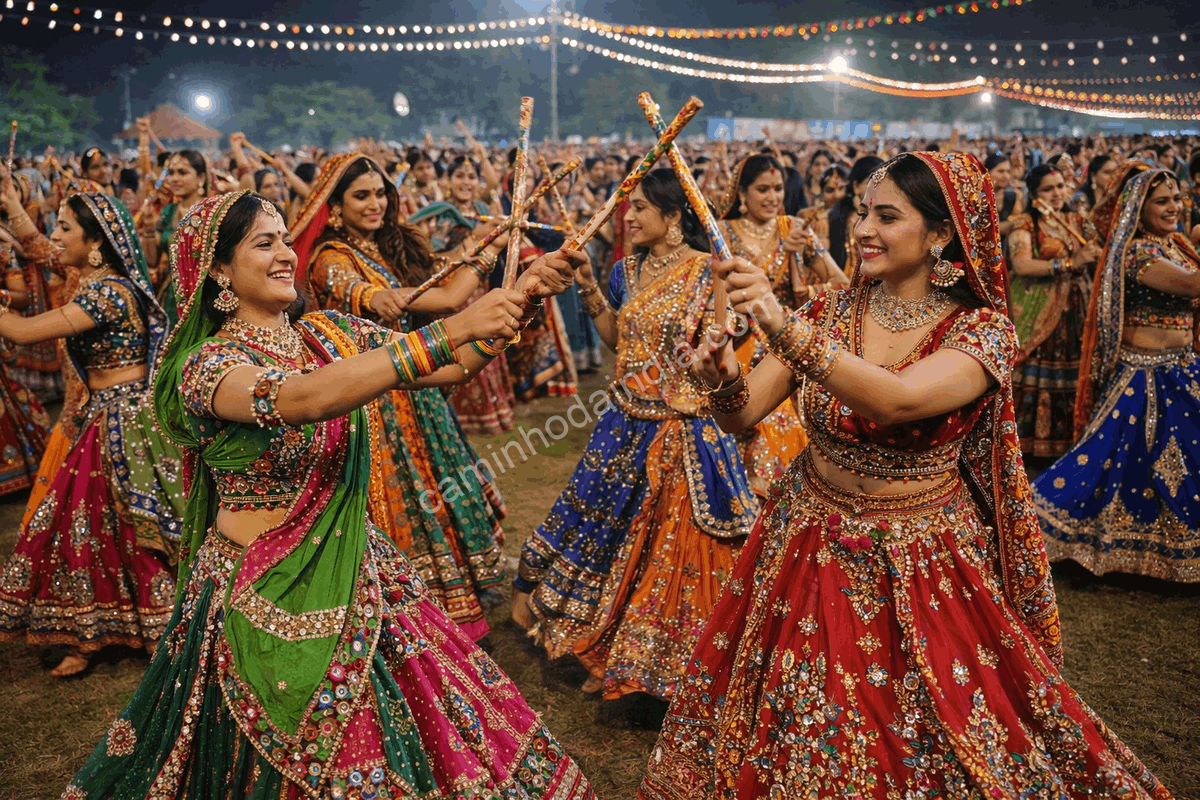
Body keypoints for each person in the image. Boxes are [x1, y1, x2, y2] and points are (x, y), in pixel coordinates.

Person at [638, 151, 1174, 800]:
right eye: (863, 212)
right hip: (806, 536)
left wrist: (780, 324)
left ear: (942, 233)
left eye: (887, 217)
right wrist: (722, 378)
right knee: (801, 715)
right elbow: (743, 414)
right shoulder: (831, 311)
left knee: (922, 727)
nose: (862, 229)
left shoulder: (981, 330)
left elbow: (898, 401)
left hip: (920, 555)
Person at [60, 189, 596, 799]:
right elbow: (303, 398)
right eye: (264, 243)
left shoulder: (327, 333)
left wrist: (524, 296)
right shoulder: (205, 365)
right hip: (254, 582)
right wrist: (453, 327)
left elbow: (451, 365)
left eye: (287, 240)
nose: (286, 254)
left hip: (353, 564)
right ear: (218, 268)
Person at [513, 170, 758, 720]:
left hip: (682, 429)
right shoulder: (625, 269)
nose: (628, 217)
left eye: (641, 207)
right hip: (623, 422)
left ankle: (657, 664)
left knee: (668, 550)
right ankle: (605, 644)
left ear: (673, 217)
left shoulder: (708, 271)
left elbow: (719, 349)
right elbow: (616, 339)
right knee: (605, 530)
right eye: (628, 208)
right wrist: (590, 288)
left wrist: (708, 358)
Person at [293, 153, 510, 639]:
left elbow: (444, 276)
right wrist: (487, 252)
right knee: (402, 503)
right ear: (335, 207)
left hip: (416, 390)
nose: (375, 203)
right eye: (361, 195)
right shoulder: (331, 260)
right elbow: (446, 298)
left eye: (380, 193)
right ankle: (405, 609)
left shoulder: (384, 245)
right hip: (372, 402)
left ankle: (453, 598)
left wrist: (482, 245)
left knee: (440, 488)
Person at [0, 187, 185, 678]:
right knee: (89, 525)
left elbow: (23, 332)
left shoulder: (109, 294)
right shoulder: (96, 285)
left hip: (125, 421)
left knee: (120, 524)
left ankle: (159, 626)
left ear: (96, 242)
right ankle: (92, 629)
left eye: (65, 228)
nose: (56, 236)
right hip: (104, 415)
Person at [1034, 167, 1200, 583]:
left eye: (1176, 198)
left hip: (1182, 366)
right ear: (1138, 209)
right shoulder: (1138, 253)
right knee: (1127, 466)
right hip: (1146, 377)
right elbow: (1191, 286)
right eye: (1162, 201)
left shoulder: (1173, 244)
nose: (1173, 207)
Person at [717, 154, 849, 496]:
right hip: (739, 343)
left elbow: (840, 286)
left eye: (777, 188)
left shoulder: (793, 229)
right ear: (742, 194)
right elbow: (716, 305)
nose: (773, 197)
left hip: (787, 343)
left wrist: (798, 267)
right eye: (763, 189)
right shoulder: (722, 233)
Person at [406, 155, 518, 435]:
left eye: (471, 177)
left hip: (479, 291)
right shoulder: (439, 215)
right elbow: (430, 262)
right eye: (459, 176)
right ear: (447, 181)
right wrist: (470, 243)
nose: (466, 182)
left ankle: (491, 412)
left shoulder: (484, 211)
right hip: (451, 296)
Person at [1006, 165, 1101, 459]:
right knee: (1036, 374)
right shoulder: (1025, 224)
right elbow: (1021, 264)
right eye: (1048, 189)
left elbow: (1100, 248)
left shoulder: (1078, 220)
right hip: (1040, 312)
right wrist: (1069, 264)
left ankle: (1074, 441)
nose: (1057, 193)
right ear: (1034, 194)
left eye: (1060, 186)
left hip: (1078, 310)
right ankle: (1031, 447)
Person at [138, 149, 213, 302]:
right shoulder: (168, 211)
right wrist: (149, 229)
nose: (174, 179)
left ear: (201, 178)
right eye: (171, 173)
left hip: (206, 294)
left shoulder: (212, 210)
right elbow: (152, 260)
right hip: (173, 295)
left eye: (182, 172)